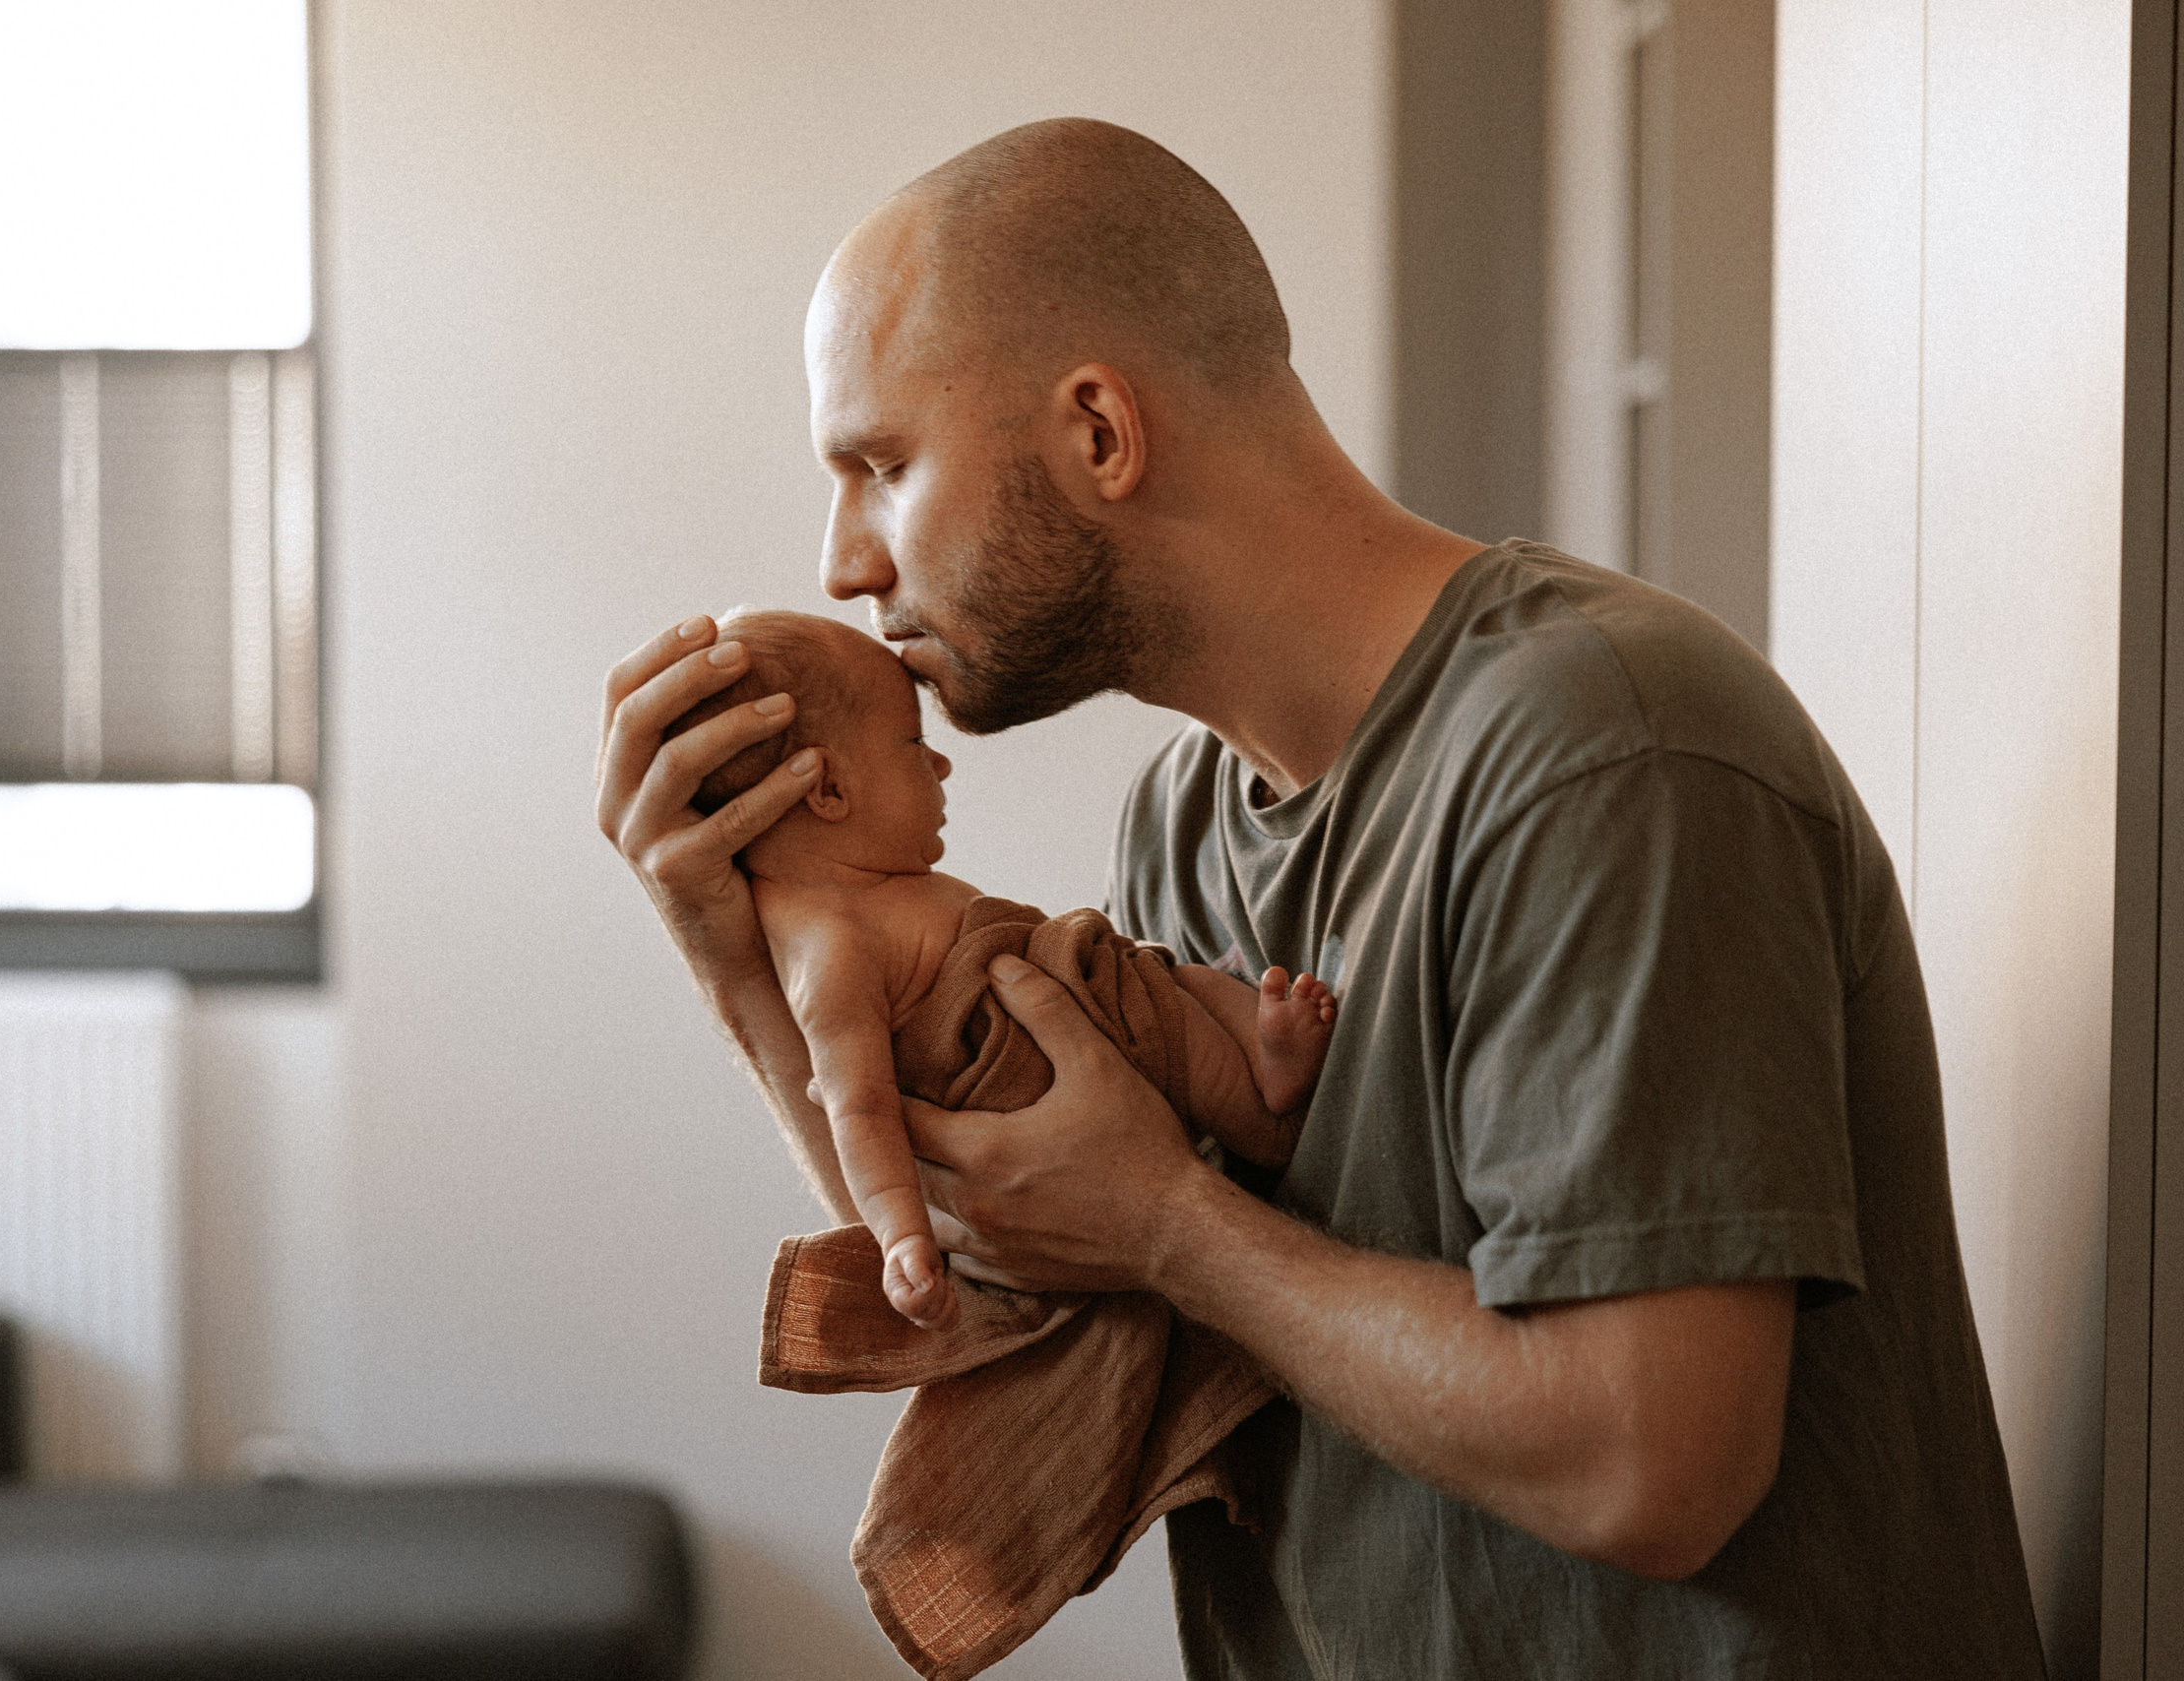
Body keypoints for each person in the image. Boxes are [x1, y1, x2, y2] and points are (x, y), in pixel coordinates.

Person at [595, 117, 2046, 1677]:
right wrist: (739, 954)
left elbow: (1652, 1466)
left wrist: (1174, 1225)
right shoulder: (1182, 823)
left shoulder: (1607, 746)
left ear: (1100, 431)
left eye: (881, 466)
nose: (844, 566)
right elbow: (997, 1302)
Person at [663, 605, 1335, 1329]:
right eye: (913, 742)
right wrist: (901, 1238)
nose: (940, 761)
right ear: (828, 792)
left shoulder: (858, 897)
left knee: (1187, 980)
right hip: (1060, 1039)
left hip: (1086, 980)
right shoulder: (826, 947)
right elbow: (860, 1106)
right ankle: (1267, 1124)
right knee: (1173, 1016)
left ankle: (1265, 1065)